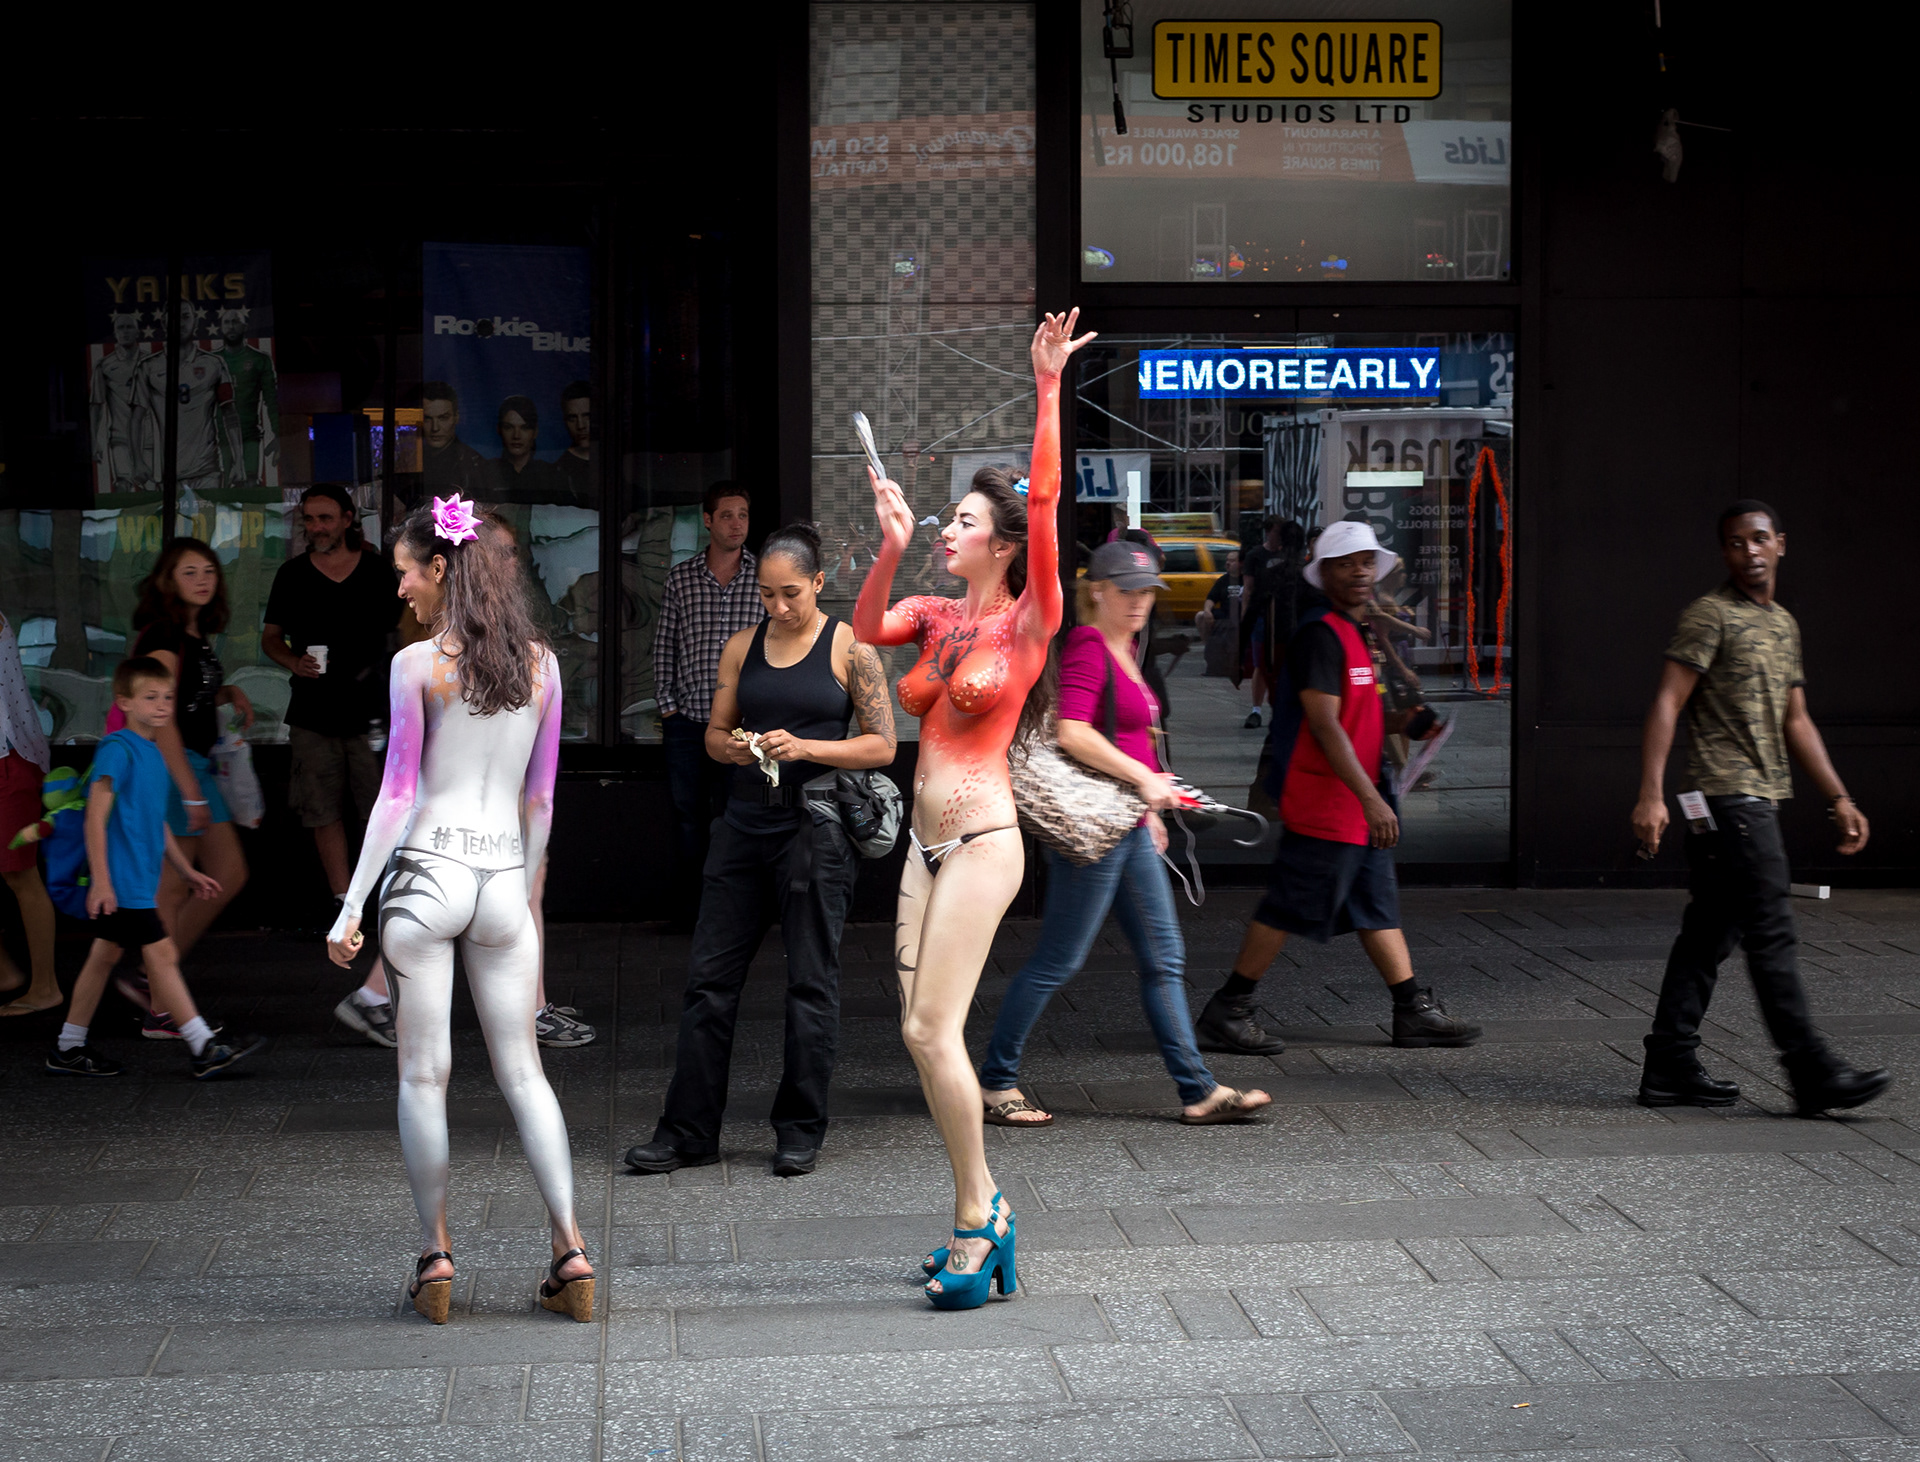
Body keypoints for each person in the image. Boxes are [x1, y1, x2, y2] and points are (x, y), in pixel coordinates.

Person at [853, 309, 1090, 1310]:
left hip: (988, 838)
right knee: (916, 1031)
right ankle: (983, 1205)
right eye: (942, 520)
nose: (947, 530)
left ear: (999, 544)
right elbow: (867, 626)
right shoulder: (937, 617)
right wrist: (891, 543)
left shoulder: (1029, 619)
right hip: (923, 842)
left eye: (958, 523)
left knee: (936, 1028)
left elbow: (1041, 495)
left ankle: (974, 1216)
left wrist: (1044, 389)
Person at [324, 494, 594, 1326]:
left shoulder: (416, 667)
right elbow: (542, 801)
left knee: (423, 1076)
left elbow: (396, 798)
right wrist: (527, 886)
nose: (400, 587)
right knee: (525, 1074)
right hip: (503, 882)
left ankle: (437, 1259)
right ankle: (570, 1252)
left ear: (438, 567)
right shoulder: (542, 666)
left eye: (405, 571)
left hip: (424, 880)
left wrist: (350, 907)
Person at [624, 523, 898, 1179]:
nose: (777, 607)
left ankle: (799, 1129)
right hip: (744, 823)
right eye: (767, 594)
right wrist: (744, 746)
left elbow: (882, 745)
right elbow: (713, 738)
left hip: (816, 829)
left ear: (819, 584)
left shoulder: (848, 651)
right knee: (708, 982)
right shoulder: (739, 648)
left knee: (811, 981)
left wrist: (806, 749)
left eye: (791, 595)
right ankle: (689, 1132)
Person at [978, 540, 1272, 1129]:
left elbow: (1128, 735)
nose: (1140, 602)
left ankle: (1199, 1091)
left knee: (1164, 958)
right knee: (1058, 961)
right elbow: (1072, 732)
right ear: (1098, 592)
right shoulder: (1089, 646)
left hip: (1129, 823)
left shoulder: (1127, 644)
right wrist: (1144, 780)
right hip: (1096, 829)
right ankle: (994, 1081)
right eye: (1128, 590)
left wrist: (1152, 811)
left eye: (1147, 591)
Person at [1630, 501, 1889, 1116]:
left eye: (1758, 539)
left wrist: (1838, 797)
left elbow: (1796, 719)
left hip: (1756, 795)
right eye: (1735, 542)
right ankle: (1810, 1070)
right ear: (1725, 552)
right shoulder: (1709, 615)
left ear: (1779, 544)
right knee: (1770, 930)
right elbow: (1667, 702)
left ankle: (1669, 1061)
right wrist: (1650, 792)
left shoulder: (1783, 625)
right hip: (1727, 797)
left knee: (1711, 931)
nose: (1748, 551)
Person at [1196, 520, 1483, 1056]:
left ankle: (1411, 1009)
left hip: (1355, 805)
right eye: (1346, 563)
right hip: (1328, 804)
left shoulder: (1355, 633)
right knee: (1286, 905)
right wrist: (1371, 798)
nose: (1360, 571)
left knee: (1375, 906)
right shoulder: (1320, 635)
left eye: (1366, 562)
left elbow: (1357, 716)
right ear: (1323, 573)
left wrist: (1405, 722)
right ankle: (1228, 1008)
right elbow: (1324, 725)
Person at [46, 657, 258, 1078]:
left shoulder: (154, 753)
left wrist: (186, 871)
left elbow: (155, 823)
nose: (162, 706)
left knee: (103, 956)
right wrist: (102, 882)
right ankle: (202, 1045)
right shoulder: (117, 749)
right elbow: (95, 817)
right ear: (123, 702)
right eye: (150, 698)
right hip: (125, 884)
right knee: (161, 954)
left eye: (167, 697)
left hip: (139, 880)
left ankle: (68, 1046)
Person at [261, 484, 404, 1047]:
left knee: (379, 808)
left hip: (372, 707)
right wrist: (293, 661)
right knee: (322, 807)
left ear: (348, 518)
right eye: (309, 518)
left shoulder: (376, 571)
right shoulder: (292, 575)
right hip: (314, 710)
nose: (315, 526)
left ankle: (382, 893)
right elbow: (271, 638)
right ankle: (345, 903)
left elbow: (405, 628)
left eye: (324, 517)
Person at [130, 540, 251, 979]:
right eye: (189, 572)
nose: (202, 580)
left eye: (209, 571)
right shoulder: (165, 634)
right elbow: (159, 717)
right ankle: (158, 990)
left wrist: (226, 693)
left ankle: (155, 978)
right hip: (173, 769)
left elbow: (183, 698)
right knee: (174, 886)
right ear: (168, 580)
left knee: (224, 874)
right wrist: (191, 793)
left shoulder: (194, 634)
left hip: (193, 768)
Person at [653, 482, 761, 928]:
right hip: (689, 721)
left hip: (742, 724)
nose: (737, 524)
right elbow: (664, 644)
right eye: (728, 515)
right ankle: (692, 914)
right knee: (689, 819)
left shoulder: (762, 577)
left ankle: (736, 914)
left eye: (744, 515)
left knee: (739, 818)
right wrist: (667, 706)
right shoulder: (681, 577)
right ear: (708, 520)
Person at [0, 612, 59, 1016]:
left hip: (9, 760)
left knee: (20, 874)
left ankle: (46, 987)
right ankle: (5, 971)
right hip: (13, 755)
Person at [213, 307, 278, 485]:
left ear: (245, 327)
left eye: (236, 322)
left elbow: (272, 400)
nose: (231, 327)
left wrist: (279, 434)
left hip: (250, 436)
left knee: (250, 485)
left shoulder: (259, 360)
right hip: (219, 439)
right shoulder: (211, 362)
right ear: (221, 327)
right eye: (227, 322)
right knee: (222, 488)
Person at [90, 311, 146, 492]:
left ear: (137, 332)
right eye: (121, 328)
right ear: (115, 333)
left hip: (152, 439)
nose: (125, 331)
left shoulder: (153, 362)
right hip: (120, 437)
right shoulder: (105, 365)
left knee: (156, 489)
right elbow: (96, 406)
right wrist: (93, 440)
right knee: (123, 485)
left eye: (129, 327)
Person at [421, 382, 488, 497]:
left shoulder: (474, 465)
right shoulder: (410, 462)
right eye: (427, 419)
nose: (435, 428)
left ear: (456, 418)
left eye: (443, 418)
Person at [489, 396, 560, 502]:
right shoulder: (485, 472)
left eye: (524, 428)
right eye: (509, 427)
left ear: (535, 432)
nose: (516, 435)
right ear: (499, 429)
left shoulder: (551, 475)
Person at [555, 381, 592, 499]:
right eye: (573, 418)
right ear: (565, 421)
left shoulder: (616, 462)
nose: (581, 425)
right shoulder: (559, 471)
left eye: (587, 416)